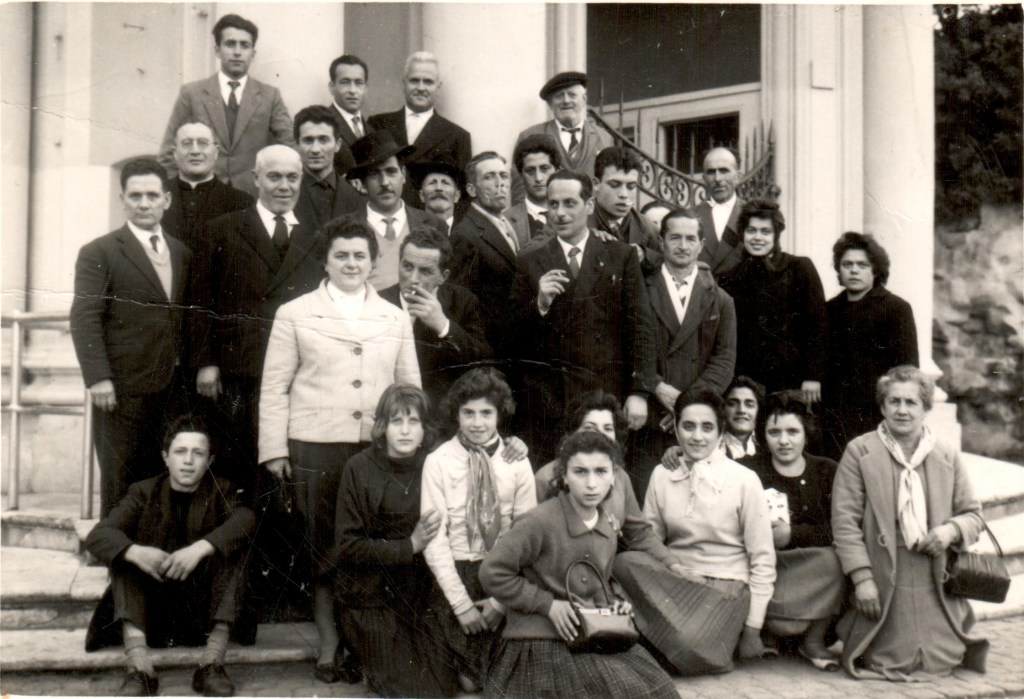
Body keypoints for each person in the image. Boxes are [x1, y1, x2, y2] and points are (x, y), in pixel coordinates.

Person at [258, 218, 420, 684]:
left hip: (377, 448)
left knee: (372, 544)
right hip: (316, 446)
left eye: (360, 256)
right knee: (325, 545)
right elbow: (274, 387)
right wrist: (273, 448)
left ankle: (366, 641)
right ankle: (330, 642)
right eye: (342, 255)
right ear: (325, 260)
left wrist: (410, 443)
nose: (351, 263)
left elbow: (409, 388)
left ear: (373, 262)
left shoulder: (394, 316)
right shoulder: (295, 312)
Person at [479, 431, 679, 699]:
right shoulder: (538, 521)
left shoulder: (607, 524)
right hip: (539, 639)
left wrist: (611, 606)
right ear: (564, 476)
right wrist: (547, 603)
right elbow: (491, 572)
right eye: (580, 472)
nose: (591, 483)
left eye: (600, 472)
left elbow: (596, 581)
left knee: (656, 690)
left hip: (588, 633)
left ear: (614, 477)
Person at [832, 365, 989, 680]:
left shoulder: (946, 455)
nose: (902, 410)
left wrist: (949, 531)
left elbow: (973, 515)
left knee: (943, 657)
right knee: (890, 657)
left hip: (935, 573)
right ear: (882, 406)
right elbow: (844, 522)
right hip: (884, 574)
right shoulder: (859, 451)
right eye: (894, 401)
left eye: (911, 402)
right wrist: (862, 580)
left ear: (926, 408)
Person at [85, 416, 256, 697]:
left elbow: (247, 519)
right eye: (180, 452)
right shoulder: (143, 491)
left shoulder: (221, 490)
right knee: (124, 554)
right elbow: (98, 535)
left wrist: (201, 547)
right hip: (153, 613)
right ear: (166, 458)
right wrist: (135, 551)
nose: (188, 460)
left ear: (209, 461)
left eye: (197, 453)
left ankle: (211, 664)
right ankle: (140, 669)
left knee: (235, 549)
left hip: (202, 613)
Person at [193, 145, 324, 489]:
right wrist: (206, 361)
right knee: (239, 459)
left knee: (287, 462)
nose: (284, 186)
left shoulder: (316, 236)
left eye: (292, 177)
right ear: (256, 179)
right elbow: (199, 301)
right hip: (240, 367)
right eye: (274, 176)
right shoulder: (220, 229)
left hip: (298, 368)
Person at [509, 170, 657, 464]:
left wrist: (639, 391)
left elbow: (640, 327)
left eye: (569, 203)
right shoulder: (529, 261)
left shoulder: (621, 255)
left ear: (589, 206)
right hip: (551, 402)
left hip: (603, 396)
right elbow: (512, 338)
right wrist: (539, 303)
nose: (560, 213)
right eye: (553, 205)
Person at [70, 158, 191, 516]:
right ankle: (120, 566)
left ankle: (154, 561)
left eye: (152, 195)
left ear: (166, 200)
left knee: (162, 477)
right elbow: (85, 317)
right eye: (135, 195)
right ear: (122, 199)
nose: (144, 203)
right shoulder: (100, 251)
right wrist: (99, 378)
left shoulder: (181, 253)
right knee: (120, 478)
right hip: (121, 388)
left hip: (171, 386)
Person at [329, 384, 453, 697]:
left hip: (419, 596)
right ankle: (363, 654)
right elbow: (347, 546)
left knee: (446, 683)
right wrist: (409, 546)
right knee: (412, 689)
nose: (406, 431)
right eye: (397, 421)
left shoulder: (435, 463)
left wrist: (513, 445)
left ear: (426, 429)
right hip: (370, 594)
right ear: (382, 426)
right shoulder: (359, 468)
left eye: (414, 422)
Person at [641, 389, 776, 670]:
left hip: (725, 586)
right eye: (688, 426)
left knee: (688, 645)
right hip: (676, 581)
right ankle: (675, 641)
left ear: (720, 431)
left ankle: (678, 643)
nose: (697, 437)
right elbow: (649, 542)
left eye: (707, 427)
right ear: (675, 429)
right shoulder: (662, 475)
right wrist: (673, 568)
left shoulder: (744, 480)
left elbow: (763, 559)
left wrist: (753, 628)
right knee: (625, 563)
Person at [420, 368, 537, 694]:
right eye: (467, 413)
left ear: (500, 414)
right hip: (456, 575)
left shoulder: (516, 460)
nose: (477, 422)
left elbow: (526, 536)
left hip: (503, 574)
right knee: (463, 682)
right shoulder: (439, 461)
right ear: (455, 413)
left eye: (486, 413)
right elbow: (434, 540)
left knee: (502, 681)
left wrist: (500, 603)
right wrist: (461, 605)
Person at [631, 210, 736, 501]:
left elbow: (725, 360)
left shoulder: (721, 299)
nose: (683, 245)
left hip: (695, 422)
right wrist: (655, 386)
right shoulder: (639, 288)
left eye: (691, 238)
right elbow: (629, 347)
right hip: (651, 416)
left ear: (701, 245)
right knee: (648, 502)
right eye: (674, 237)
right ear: (661, 242)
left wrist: (686, 407)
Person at [751, 391, 844, 671]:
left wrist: (793, 535)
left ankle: (813, 639)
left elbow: (840, 526)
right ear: (763, 435)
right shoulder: (748, 470)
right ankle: (768, 632)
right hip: (767, 566)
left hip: (813, 569)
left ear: (807, 433)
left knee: (834, 559)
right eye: (774, 431)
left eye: (793, 431)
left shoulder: (826, 470)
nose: (783, 440)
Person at [158, 14, 293, 195]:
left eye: (244, 45)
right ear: (217, 50)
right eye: (230, 44)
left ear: (253, 54)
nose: (237, 52)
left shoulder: (270, 96)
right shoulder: (191, 94)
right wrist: (181, 194)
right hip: (202, 198)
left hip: (251, 199)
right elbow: (168, 153)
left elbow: (290, 147)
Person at [719, 198, 827, 407]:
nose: (757, 237)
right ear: (742, 234)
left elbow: (818, 325)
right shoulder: (729, 279)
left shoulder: (799, 268)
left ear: (776, 235)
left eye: (765, 232)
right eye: (751, 231)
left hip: (792, 380)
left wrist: (813, 375)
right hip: (746, 381)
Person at [824, 232, 919, 461]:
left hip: (874, 414)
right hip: (833, 416)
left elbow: (907, 371)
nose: (854, 270)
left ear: (875, 269)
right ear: (839, 269)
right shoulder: (829, 310)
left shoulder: (896, 309)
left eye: (862, 265)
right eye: (847, 264)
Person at [379, 226, 491, 408]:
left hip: (442, 414)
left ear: (443, 276)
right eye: (407, 267)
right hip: (390, 410)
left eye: (425, 271)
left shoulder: (462, 302)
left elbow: (483, 363)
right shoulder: (378, 301)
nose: (413, 278)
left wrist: (443, 326)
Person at [338, 130, 446, 291]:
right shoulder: (344, 230)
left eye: (391, 171)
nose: (385, 182)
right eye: (374, 174)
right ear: (363, 183)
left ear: (403, 175)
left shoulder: (434, 225)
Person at [368, 51, 472, 208]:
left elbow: (463, 196)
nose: (421, 88)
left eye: (428, 82)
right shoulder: (377, 124)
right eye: (414, 81)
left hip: (431, 223)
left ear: (438, 86)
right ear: (404, 83)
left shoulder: (458, 136)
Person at [450, 152, 524, 353]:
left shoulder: (505, 222)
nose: (499, 183)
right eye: (489, 177)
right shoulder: (465, 235)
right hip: (491, 349)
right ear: (472, 190)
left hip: (513, 343)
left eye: (503, 175)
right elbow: (462, 305)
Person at [510, 71, 613, 204]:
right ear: (550, 104)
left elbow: (609, 184)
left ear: (584, 100)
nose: (566, 101)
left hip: (591, 219)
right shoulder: (530, 136)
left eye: (572, 95)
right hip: (548, 218)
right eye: (559, 96)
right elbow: (520, 188)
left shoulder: (604, 138)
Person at [161, 121, 252, 252]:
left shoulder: (241, 202)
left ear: (216, 152)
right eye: (186, 144)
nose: (195, 151)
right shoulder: (156, 196)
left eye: (203, 143)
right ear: (175, 152)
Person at [589, 146, 663, 275]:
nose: (623, 194)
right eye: (614, 185)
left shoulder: (650, 230)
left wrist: (646, 256)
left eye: (631, 186)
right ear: (596, 184)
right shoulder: (576, 222)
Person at [292, 105, 362, 232]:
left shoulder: (356, 194)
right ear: (297, 145)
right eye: (308, 140)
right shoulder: (285, 191)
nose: (315, 150)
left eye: (323, 140)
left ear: (338, 145)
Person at [693, 146, 745, 278]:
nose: (717, 178)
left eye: (724, 170)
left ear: (738, 176)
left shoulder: (752, 214)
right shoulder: (690, 216)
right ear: (704, 178)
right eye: (711, 172)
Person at [505, 134, 559, 245]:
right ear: (521, 175)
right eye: (530, 171)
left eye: (544, 169)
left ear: (556, 170)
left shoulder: (577, 213)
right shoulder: (506, 222)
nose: (538, 178)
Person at [326, 54, 373, 176]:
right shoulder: (323, 125)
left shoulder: (371, 130)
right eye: (345, 82)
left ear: (366, 88)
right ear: (332, 87)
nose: (352, 90)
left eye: (358, 83)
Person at [412, 159, 463, 234]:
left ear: (456, 196)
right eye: (432, 183)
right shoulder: (409, 231)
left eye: (446, 183)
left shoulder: (469, 234)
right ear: (422, 195)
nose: (439, 188)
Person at [723, 375, 765, 461]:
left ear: (758, 410)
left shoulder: (767, 448)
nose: (741, 410)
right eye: (733, 404)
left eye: (749, 405)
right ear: (723, 409)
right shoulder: (713, 449)